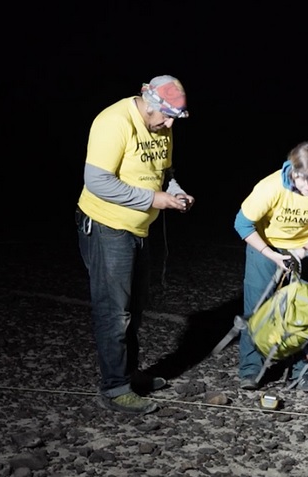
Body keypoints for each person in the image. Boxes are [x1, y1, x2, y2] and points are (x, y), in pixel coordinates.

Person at [75, 75, 194, 414]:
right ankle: (115, 388)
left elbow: (165, 171)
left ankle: (129, 375)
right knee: (115, 311)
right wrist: (152, 199)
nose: (169, 124)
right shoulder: (113, 122)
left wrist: (175, 193)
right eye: (166, 116)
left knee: (136, 306)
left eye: (175, 118)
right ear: (148, 100)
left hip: (139, 228)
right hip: (106, 225)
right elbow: (97, 181)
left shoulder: (162, 126)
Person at [234, 140, 308, 393]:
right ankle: (251, 369)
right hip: (265, 249)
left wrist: (302, 251)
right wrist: (271, 255)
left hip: (305, 252)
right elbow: (242, 224)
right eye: (302, 178)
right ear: (292, 169)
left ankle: (303, 372)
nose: (307, 185)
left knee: (305, 311)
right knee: (257, 308)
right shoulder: (269, 187)